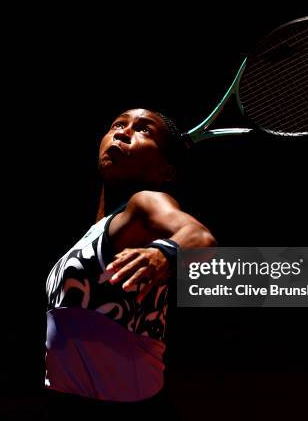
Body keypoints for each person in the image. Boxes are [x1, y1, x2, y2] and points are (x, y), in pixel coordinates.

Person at [44, 108, 216, 420]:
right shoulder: (95, 232)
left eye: (144, 130)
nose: (123, 133)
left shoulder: (144, 203)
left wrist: (165, 253)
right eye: (117, 125)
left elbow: (201, 238)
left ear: (166, 172)